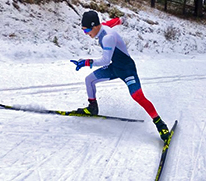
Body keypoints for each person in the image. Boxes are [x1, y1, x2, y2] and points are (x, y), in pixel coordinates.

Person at [70, 10, 170, 141]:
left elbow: (105, 60)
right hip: (115, 67)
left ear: (94, 26)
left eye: (86, 30)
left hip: (127, 69)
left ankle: (160, 124)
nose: (86, 34)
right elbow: (112, 22)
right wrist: (122, 20)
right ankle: (92, 107)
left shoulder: (107, 37)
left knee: (137, 96)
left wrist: (86, 62)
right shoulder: (102, 27)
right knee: (89, 80)